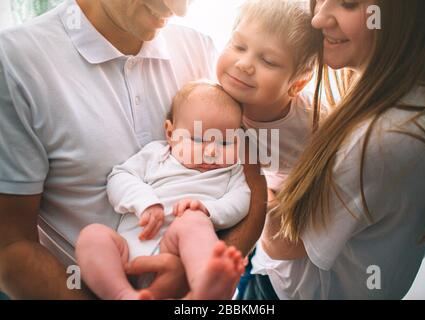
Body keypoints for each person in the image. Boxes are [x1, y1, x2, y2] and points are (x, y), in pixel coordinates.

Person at [0, 0, 267, 300]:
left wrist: (198, 278)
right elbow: (10, 246)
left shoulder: (198, 49)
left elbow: (251, 183)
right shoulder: (13, 62)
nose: (180, 11)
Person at [243, 0, 425, 299]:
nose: (318, 18)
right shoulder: (414, 100)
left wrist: (248, 170)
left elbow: (284, 242)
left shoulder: (383, 138)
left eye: (349, 4)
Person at [76, 81, 250, 300]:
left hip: (178, 252)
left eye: (226, 142)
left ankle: (203, 286)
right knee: (93, 235)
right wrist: (145, 202)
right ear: (170, 132)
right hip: (127, 253)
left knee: (192, 221)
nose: (212, 151)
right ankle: (122, 294)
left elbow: (241, 200)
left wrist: (207, 209)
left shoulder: (231, 170)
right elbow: (119, 177)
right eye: (197, 139)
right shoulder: (156, 155)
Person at [215, 0, 322, 298]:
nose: (245, 63)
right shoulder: (216, 101)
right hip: (240, 214)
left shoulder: (313, 126)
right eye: (238, 46)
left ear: (297, 84)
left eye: (269, 61)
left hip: (289, 225)